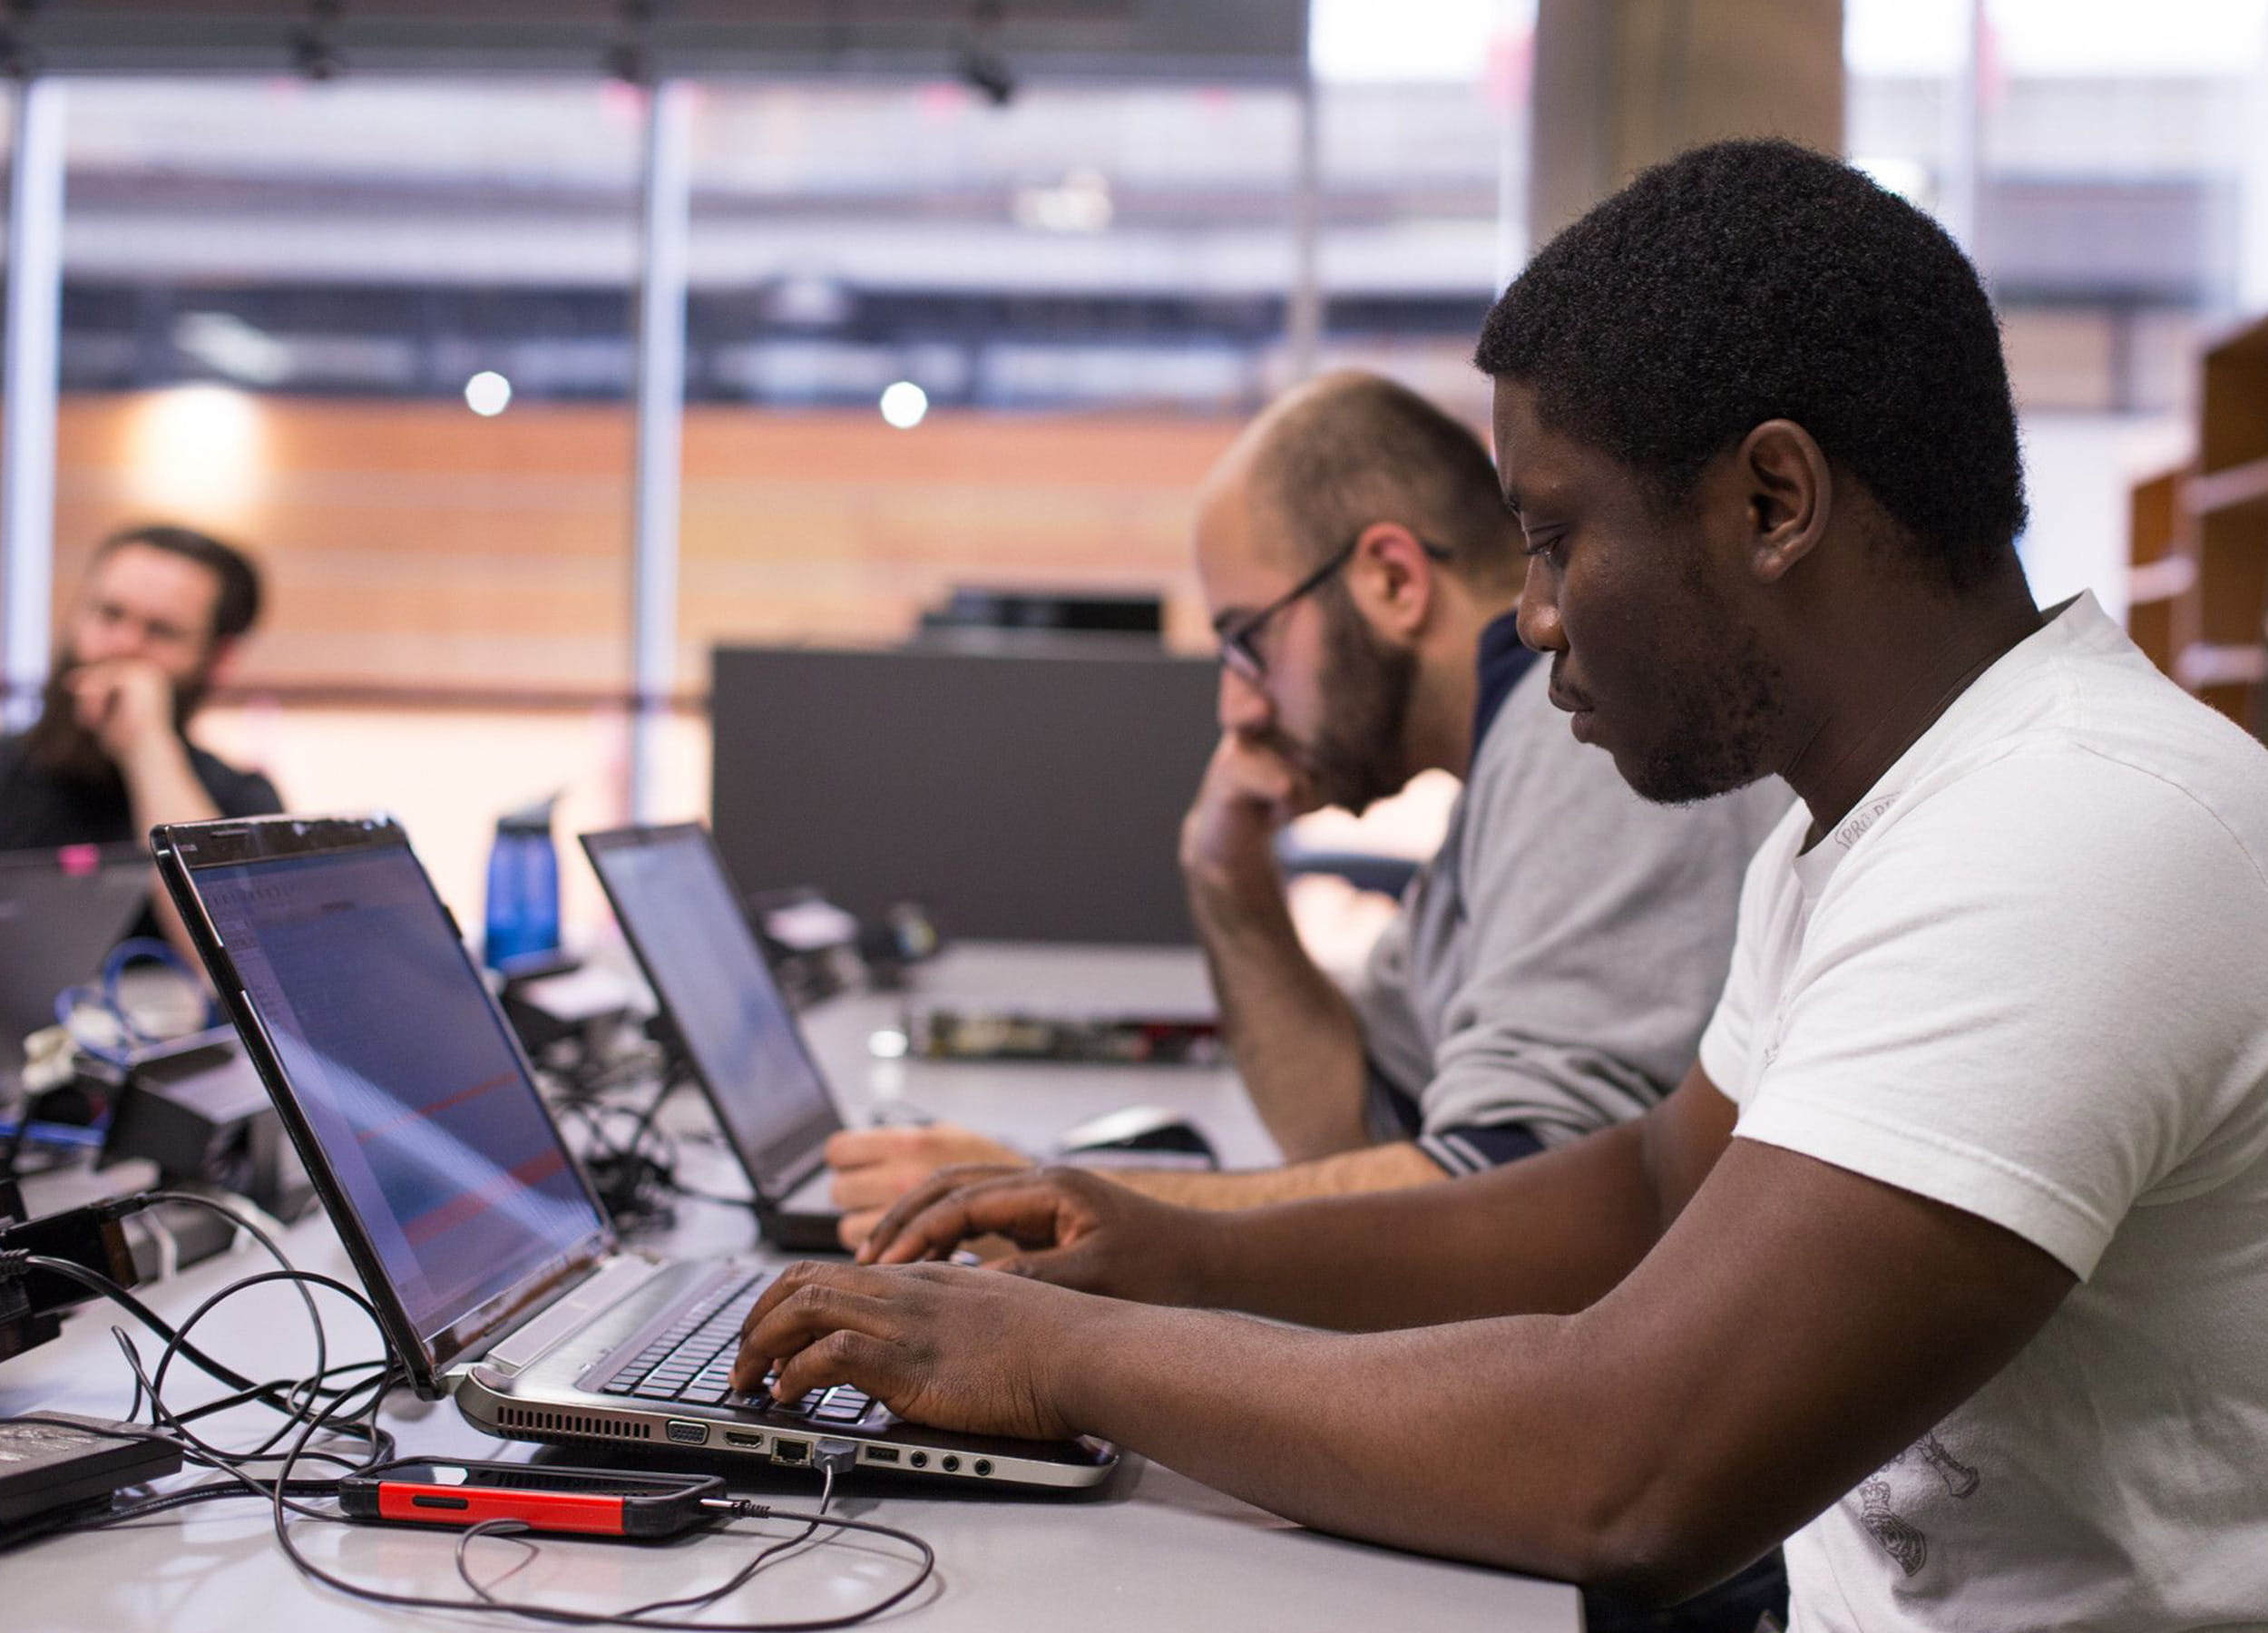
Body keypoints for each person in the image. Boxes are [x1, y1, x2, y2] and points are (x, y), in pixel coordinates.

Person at [731, 139, 2268, 1630]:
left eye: (1554, 539)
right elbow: (1656, 1188)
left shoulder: (2076, 833)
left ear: (1773, 504)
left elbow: (1630, 1474)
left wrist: (1070, 1353)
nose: (1527, 619)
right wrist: (1171, 1241)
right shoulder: (1859, 827)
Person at [825, 373, 1787, 1245]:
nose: (1235, 706)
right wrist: (1226, 878)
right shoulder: (1497, 778)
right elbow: (1350, 1136)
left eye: (1248, 641)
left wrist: (1055, 1197)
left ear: (1394, 581)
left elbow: (1508, 1204)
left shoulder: (1575, 756)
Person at [0, 523, 281, 957]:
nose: (122, 645)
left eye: (162, 632)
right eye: (109, 614)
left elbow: (247, 965)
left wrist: (147, 748)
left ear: (219, 658)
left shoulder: (240, 801)